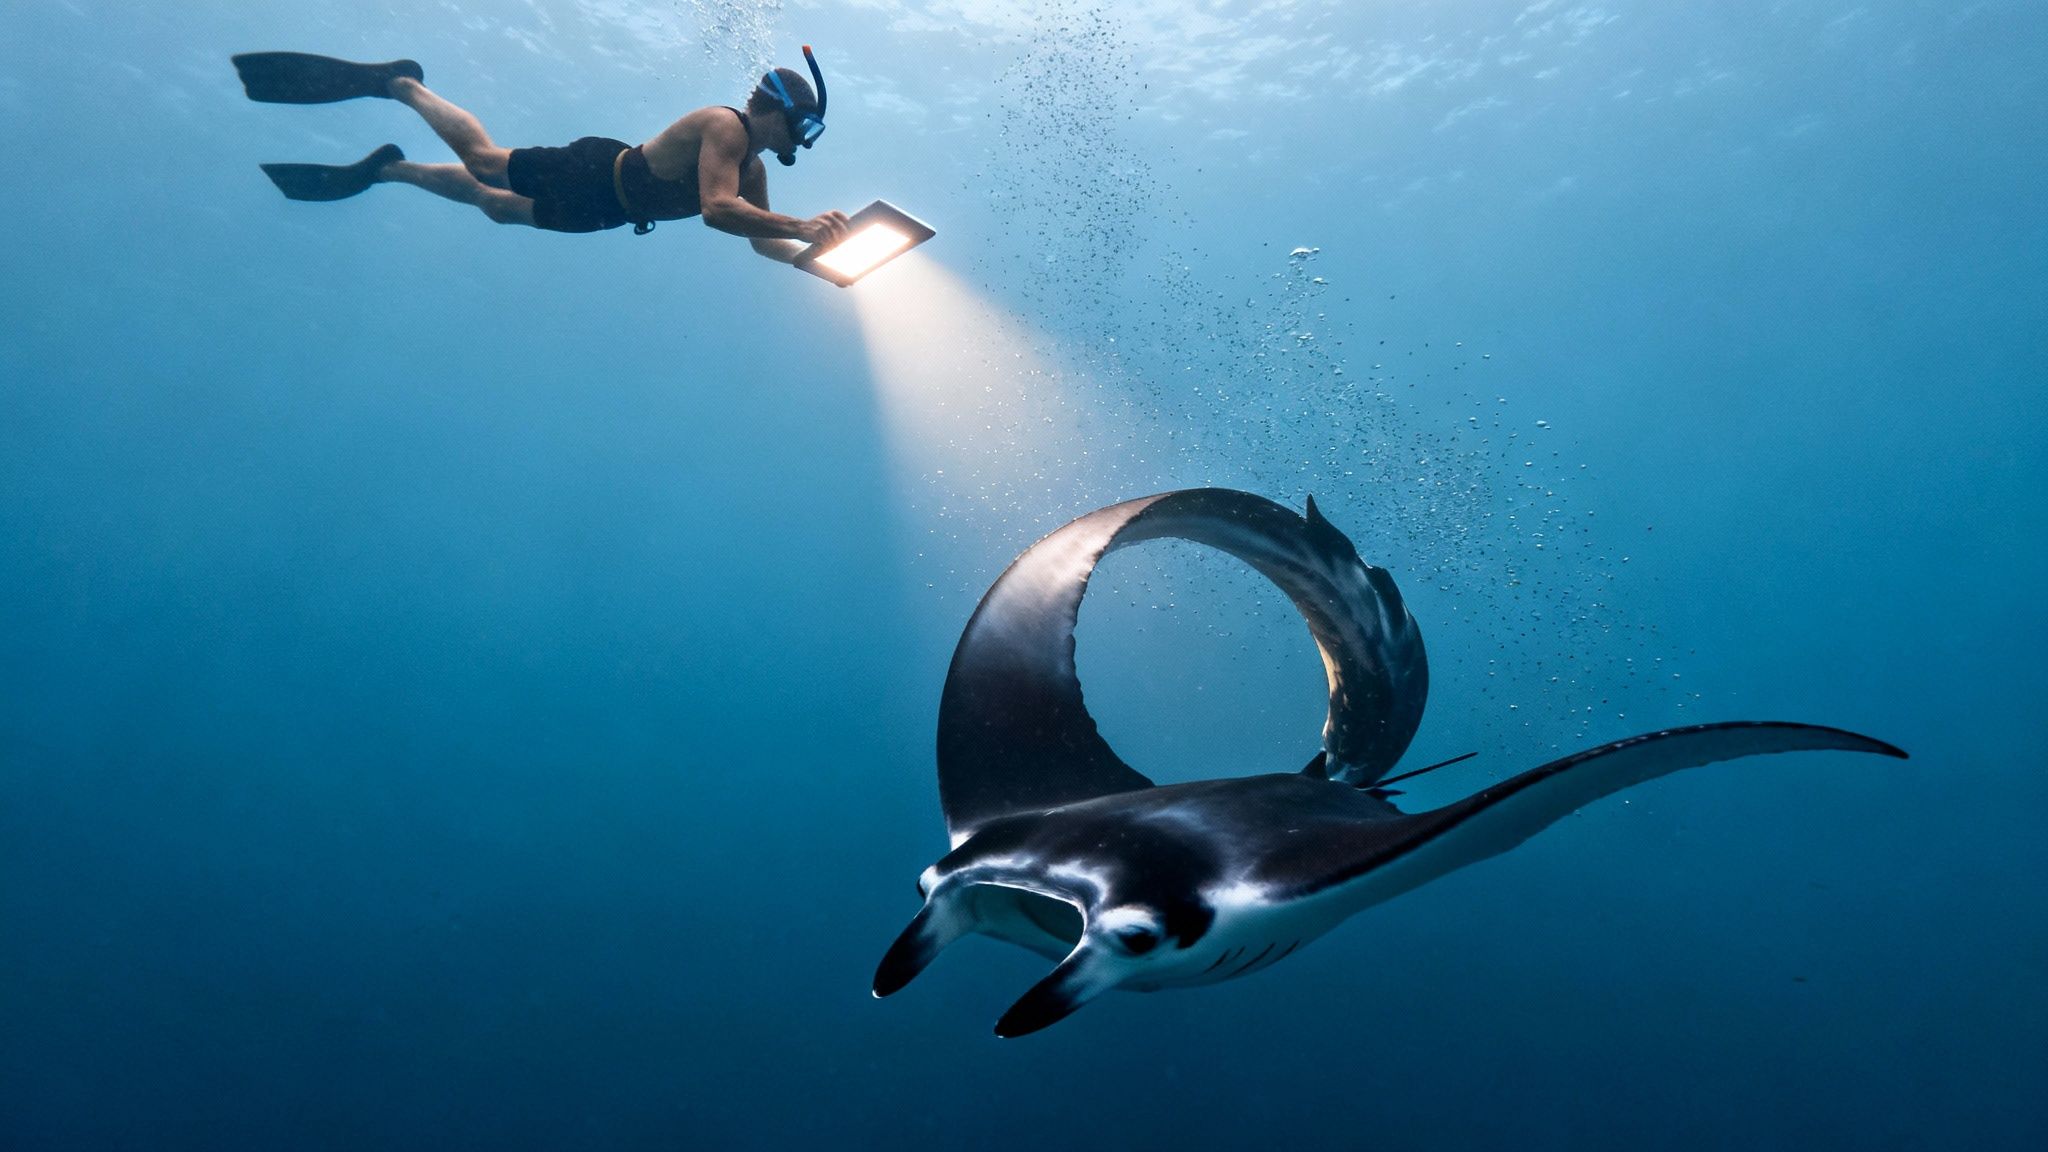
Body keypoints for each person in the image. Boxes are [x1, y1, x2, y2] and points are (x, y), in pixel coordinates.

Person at [232, 48, 850, 261]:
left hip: (609, 213)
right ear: (774, 110)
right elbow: (717, 211)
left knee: (497, 208)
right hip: (597, 170)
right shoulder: (726, 128)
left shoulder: (753, 169)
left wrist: (818, 250)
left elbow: (760, 241)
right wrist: (802, 225)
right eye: (805, 127)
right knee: (484, 162)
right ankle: (402, 83)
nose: (804, 142)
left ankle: (388, 168)